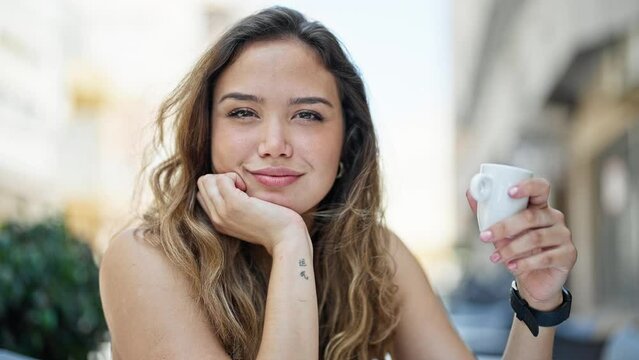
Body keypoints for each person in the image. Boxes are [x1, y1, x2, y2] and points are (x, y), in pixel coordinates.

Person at [99, 6, 578, 360]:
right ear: (207, 134)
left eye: (307, 115)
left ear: (346, 142)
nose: (274, 142)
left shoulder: (374, 254)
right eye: (243, 112)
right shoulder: (146, 256)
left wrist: (537, 302)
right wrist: (290, 243)